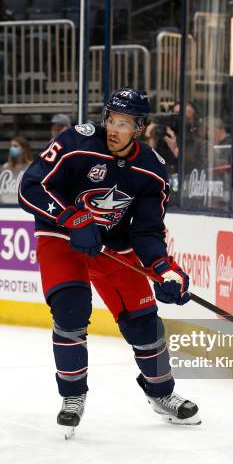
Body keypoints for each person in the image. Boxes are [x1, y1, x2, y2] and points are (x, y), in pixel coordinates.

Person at [19, 88, 200, 435]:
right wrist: (73, 218)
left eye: (124, 123)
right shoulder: (76, 142)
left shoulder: (152, 170)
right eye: (111, 120)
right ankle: (73, 396)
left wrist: (165, 270)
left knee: (145, 322)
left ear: (140, 128)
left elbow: (147, 233)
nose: (114, 129)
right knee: (71, 311)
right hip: (62, 237)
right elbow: (31, 187)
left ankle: (162, 393)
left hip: (112, 247)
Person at [0, 136, 33, 204]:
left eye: (15, 146)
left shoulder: (31, 168)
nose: (12, 148)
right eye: (11, 146)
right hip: (4, 207)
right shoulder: (5, 167)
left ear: (24, 149)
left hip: (21, 207)